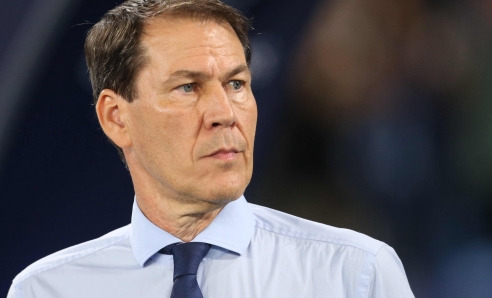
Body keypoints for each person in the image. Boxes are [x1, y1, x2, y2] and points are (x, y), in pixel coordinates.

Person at [7, 0, 415, 297]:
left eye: (236, 84)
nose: (224, 113)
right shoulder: (46, 289)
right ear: (115, 117)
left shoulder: (354, 274)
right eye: (188, 87)